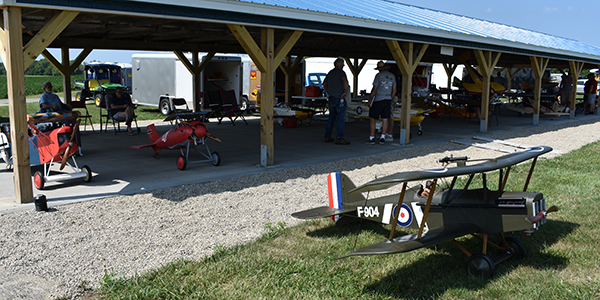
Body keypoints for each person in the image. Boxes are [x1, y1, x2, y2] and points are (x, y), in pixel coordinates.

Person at [365, 61, 396, 144]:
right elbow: (394, 90)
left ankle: (372, 138)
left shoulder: (378, 76)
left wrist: (370, 99)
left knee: (373, 118)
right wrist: (390, 98)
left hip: (378, 99)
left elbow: (374, 89)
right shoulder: (392, 76)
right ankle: (383, 137)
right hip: (388, 99)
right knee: (385, 119)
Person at [322, 57, 350, 145]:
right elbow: (345, 81)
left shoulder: (330, 73)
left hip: (332, 97)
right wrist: (345, 92)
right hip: (340, 98)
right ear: (342, 65)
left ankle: (327, 136)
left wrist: (329, 92)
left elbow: (324, 84)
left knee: (331, 118)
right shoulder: (341, 73)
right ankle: (339, 137)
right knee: (341, 119)